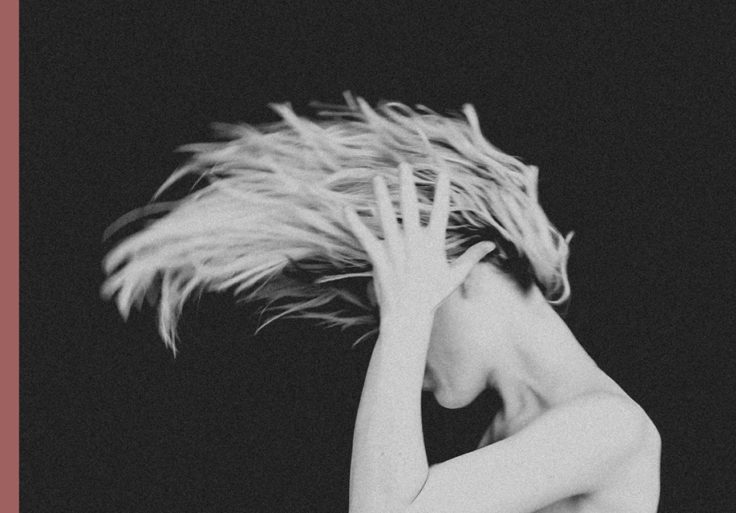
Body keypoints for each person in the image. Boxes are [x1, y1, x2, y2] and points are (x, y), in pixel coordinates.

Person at [102, 94, 661, 512]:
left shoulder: (609, 426)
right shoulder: (506, 435)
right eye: (389, 311)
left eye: (398, 297)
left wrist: (407, 318)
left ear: (468, 270)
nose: (405, 366)